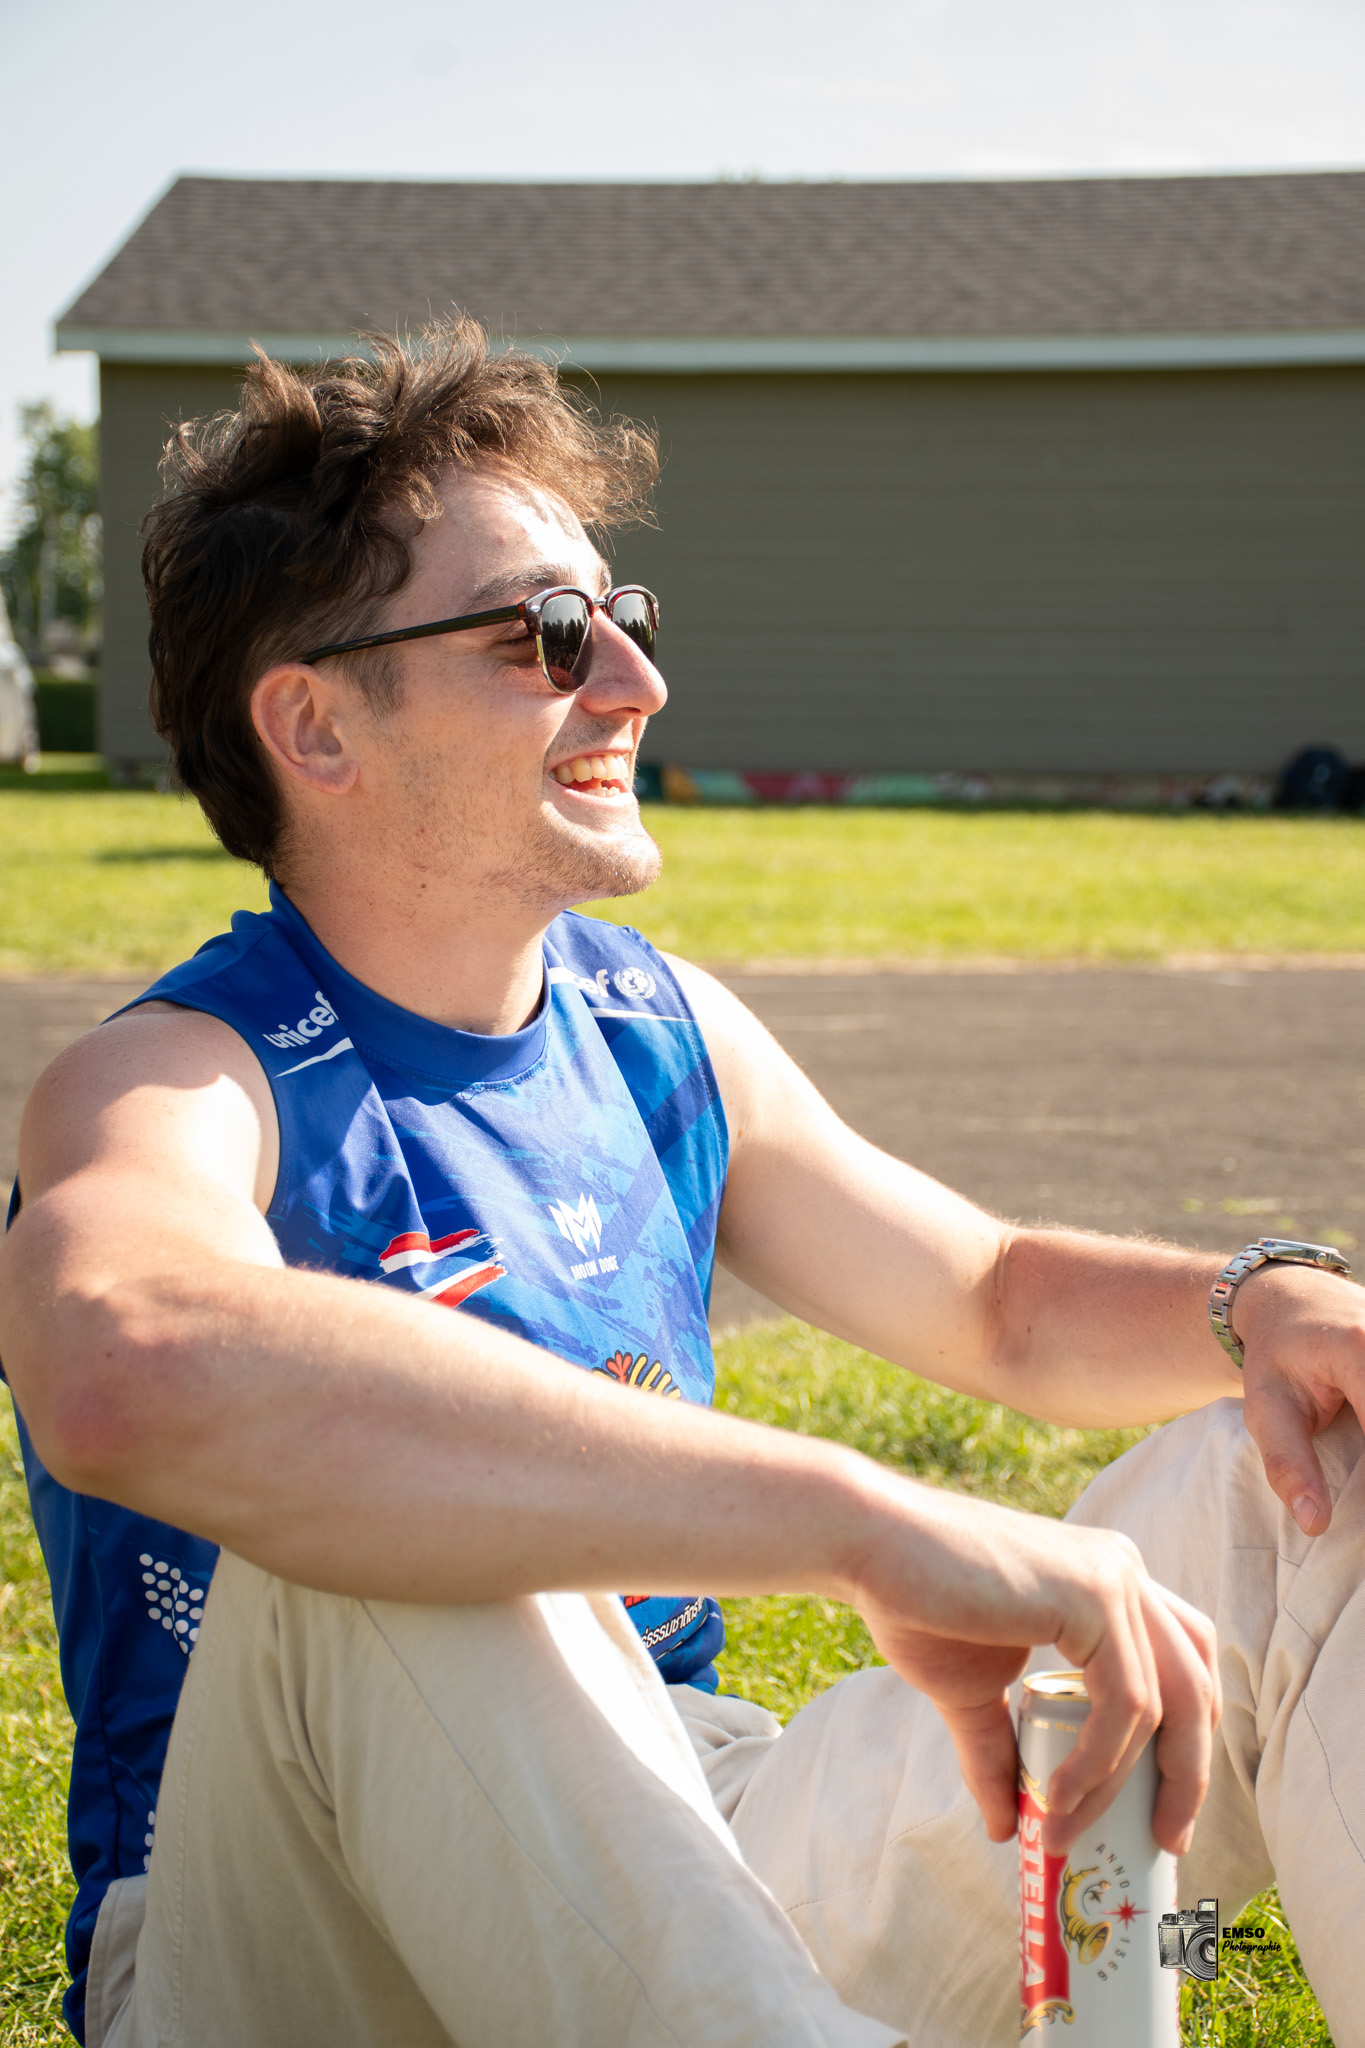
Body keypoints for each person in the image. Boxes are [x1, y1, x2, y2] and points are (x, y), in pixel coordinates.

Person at [1, 319, 1362, 2048]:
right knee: (383, 1502)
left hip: (687, 1838)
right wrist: (866, 1521)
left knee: (1301, 1468)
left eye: (622, 623)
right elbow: (123, 1359)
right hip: (287, 1931)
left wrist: (1261, 1303)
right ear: (315, 727)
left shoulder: (658, 1028)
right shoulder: (179, 1074)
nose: (633, 687)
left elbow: (998, 1298)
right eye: (547, 638)